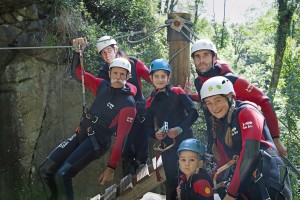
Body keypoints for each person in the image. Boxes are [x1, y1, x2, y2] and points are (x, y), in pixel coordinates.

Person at [38, 37, 137, 200]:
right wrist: (77, 51)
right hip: (82, 133)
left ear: (127, 76)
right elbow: (77, 74)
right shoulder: (102, 85)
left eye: (122, 74)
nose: (118, 77)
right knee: (45, 170)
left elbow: (120, 140)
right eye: (115, 73)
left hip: (96, 141)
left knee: (62, 175)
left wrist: (111, 167)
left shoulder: (128, 103)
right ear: (110, 72)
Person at [185, 38, 287, 159]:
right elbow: (208, 99)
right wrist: (188, 96)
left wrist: (275, 139)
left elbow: (264, 101)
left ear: (214, 57)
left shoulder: (232, 81)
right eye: (197, 56)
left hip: (239, 140)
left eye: (205, 55)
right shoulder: (199, 82)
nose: (201, 60)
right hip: (217, 140)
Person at [200, 76, 292, 200]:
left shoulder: (247, 112)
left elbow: (250, 153)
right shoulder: (220, 126)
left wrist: (231, 193)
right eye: (209, 103)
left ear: (230, 97)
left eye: (218, 100)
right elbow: (223, 162)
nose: (214, 107)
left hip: (267, 179)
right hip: (247, 181)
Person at [96, 36, 152, 176]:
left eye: (109, 50)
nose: (107, 54)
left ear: (116, 48)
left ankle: (144, 192)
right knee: (126, 153)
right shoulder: (104, 73)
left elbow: (154, 80)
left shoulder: (133, 62)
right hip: (122, 117)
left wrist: (152, 102)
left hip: (140, 115)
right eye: (103, 52)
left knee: (142, 155)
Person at [144, 59, 199, 200]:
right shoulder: (150, 101)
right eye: (156, 76)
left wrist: (180, 129)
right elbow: (147, 128)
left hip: (186, 142)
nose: (160, 79)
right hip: (168, 146)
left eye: (163, 76)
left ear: (168, 77)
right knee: (172, 182)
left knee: (190, 179)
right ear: (151, 78)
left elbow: (193, 112)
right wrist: (156, 135)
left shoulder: (177, 92)